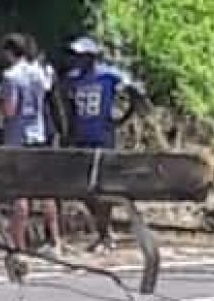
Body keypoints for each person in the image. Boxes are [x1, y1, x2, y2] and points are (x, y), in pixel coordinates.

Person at [60, 36, 148, 252]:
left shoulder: (108, 75)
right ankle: (103, 231)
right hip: (81, 137)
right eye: (76, 56)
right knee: (82, 188)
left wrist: (121, 118)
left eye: (81, 56)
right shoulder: (72, 79)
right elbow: (65, 103)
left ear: (91, 57)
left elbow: (135, 92)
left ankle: (105, 233)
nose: (77, 60)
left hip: (102, 137)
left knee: (102, 187)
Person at [0, 32, 62, 255]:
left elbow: (10, 109)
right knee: (45, 191)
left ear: (9, 53)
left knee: (20, 193)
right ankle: (55, 240)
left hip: (18, 137)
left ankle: (19, 245)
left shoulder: (10, 76)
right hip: (39, 135)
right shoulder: (38, 74)